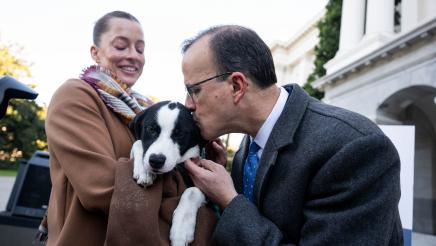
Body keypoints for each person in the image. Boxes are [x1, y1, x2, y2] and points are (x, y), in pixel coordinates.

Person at [182, 25, 404, 245]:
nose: (188, 104)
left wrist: (230, 201)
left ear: (237, 86)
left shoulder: (353, 146)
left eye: (194, 90)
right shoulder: (246, 149)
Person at [45, 11, 216, 245]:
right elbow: (101, 188)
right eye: (121, 46)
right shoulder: (76, 95)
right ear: (95, 52)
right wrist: (190, 206)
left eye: (140, 49)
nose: (133, 56)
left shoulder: (144, 110)